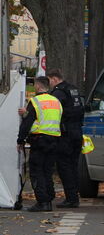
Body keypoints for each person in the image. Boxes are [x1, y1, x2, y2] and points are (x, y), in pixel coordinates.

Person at [17, 76, 63, 212]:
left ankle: (42, 201)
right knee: (47, 171)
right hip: (54, 139)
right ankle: (48, 198)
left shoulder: (35, 101)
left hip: (39, 140)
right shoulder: (56, 101)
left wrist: (20, 140)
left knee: (37, 171)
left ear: (37, 87)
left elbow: (28, 122)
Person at [47, 69, 86, 208]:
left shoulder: (58, 93)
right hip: (77, 132)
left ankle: (71, 198)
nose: (50, 83)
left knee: (64, 166)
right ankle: (74, 195)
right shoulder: (73, 89)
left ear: (55, 79)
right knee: (73, 165)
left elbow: (53, 113)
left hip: (65, 134)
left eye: (50, 80)